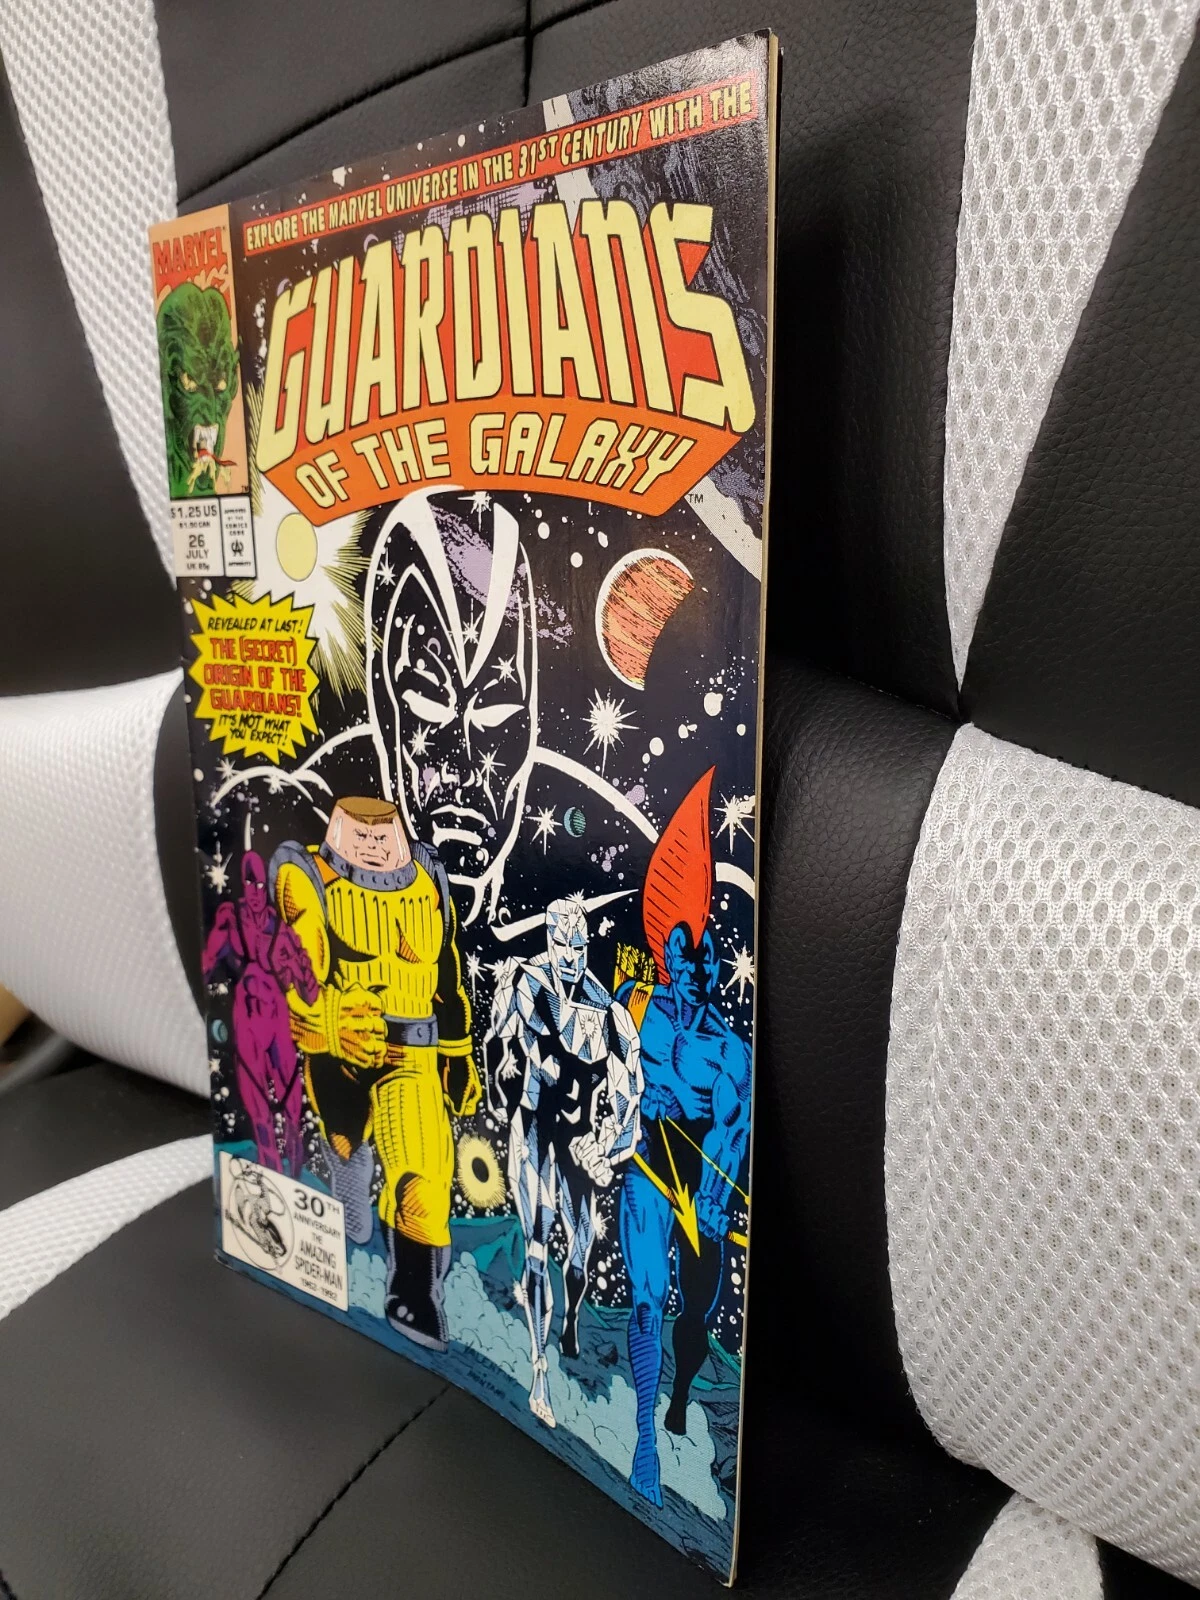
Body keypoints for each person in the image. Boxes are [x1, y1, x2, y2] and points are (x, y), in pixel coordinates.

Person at [271, 796, 480, 1351]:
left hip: (410, 1056)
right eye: (360, 835)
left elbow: (446, 970)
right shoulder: (306, 879)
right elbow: (294, 986)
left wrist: (457, 1053)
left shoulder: (428, 877)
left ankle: (413, 1292)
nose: (370, 840)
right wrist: (329, 1024)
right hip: (340, 1057)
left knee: (422, 1182)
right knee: (345, 1137)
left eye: (378, 835)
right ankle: (348, 1162)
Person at [618, 772, 752, 1508]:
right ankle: (643, 1439)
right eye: (678, 959)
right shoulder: (637, 1007)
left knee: (694, 1312)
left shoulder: (730, 1051)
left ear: (710, 967)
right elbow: (608, 1069)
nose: (690, 972)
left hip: (701, 1185)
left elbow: (734, 1128)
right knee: (647, 1300)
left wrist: (714, 1197)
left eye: (700, 962)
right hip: (647, 1166)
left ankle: (679, 1398)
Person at [489, 896, 642, 1427]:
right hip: (533, 1123)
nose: (572, 956)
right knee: (537, 1242)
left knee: (580, 1248)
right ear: (549, 939)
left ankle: (572, 1315)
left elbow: (630, 1093)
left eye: (580, 945)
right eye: (562, 943)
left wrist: (609, 1142)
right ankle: (539, 1371)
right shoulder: (525, 981)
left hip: (577, 1137)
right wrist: (500, 1086)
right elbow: (496, 1041)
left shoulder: (611, 1015)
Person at [202, 849, 316, 1174]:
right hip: (248, 1017)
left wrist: (298, 967)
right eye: (250, 883)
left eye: (261, 884)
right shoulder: (231, 919)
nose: (255, 891)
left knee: (291, 1104)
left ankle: (294, 1165)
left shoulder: (282, 931)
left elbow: (310, 993)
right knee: (258, 1107)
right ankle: (270, 1169)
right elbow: (208, 965)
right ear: (243, 883)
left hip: (276, 1017)